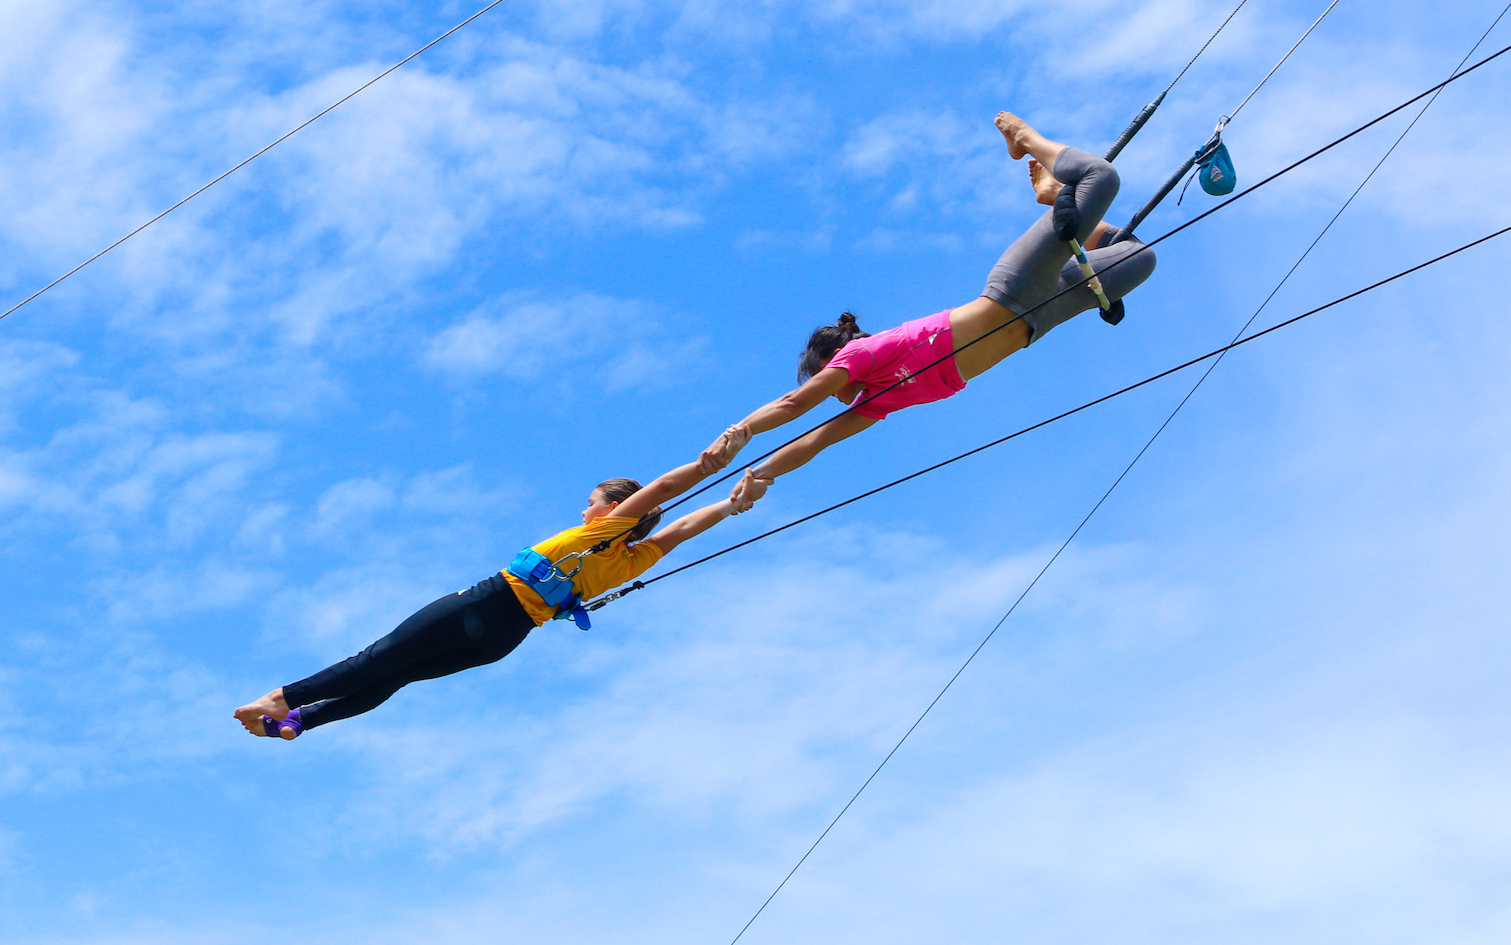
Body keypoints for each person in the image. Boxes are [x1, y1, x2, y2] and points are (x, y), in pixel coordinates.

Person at [703, 112, 1157, 507]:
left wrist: (738, 434)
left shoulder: (859, 357)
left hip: (1015, 290)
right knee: (1139, 258)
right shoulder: (877, 400)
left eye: (819, 375)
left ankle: (1024, 139)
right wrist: (761, 476)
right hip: (1043, 319)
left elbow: (793, 405)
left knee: (1102, 177)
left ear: (832, 359)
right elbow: (817, 441)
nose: (830, 391)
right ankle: (1050, 200)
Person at [234, 454, 764, 740]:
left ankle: (282, 699)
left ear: (612, 510)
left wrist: (710, 462)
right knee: (394, 677)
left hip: (484, 603)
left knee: (377, 659)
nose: (583, 511)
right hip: (505, 639)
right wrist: (729, 506)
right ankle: (302, 721)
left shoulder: (596, 535)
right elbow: (684, 526)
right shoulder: (632, 558)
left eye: (590, 503)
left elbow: (668, 493)